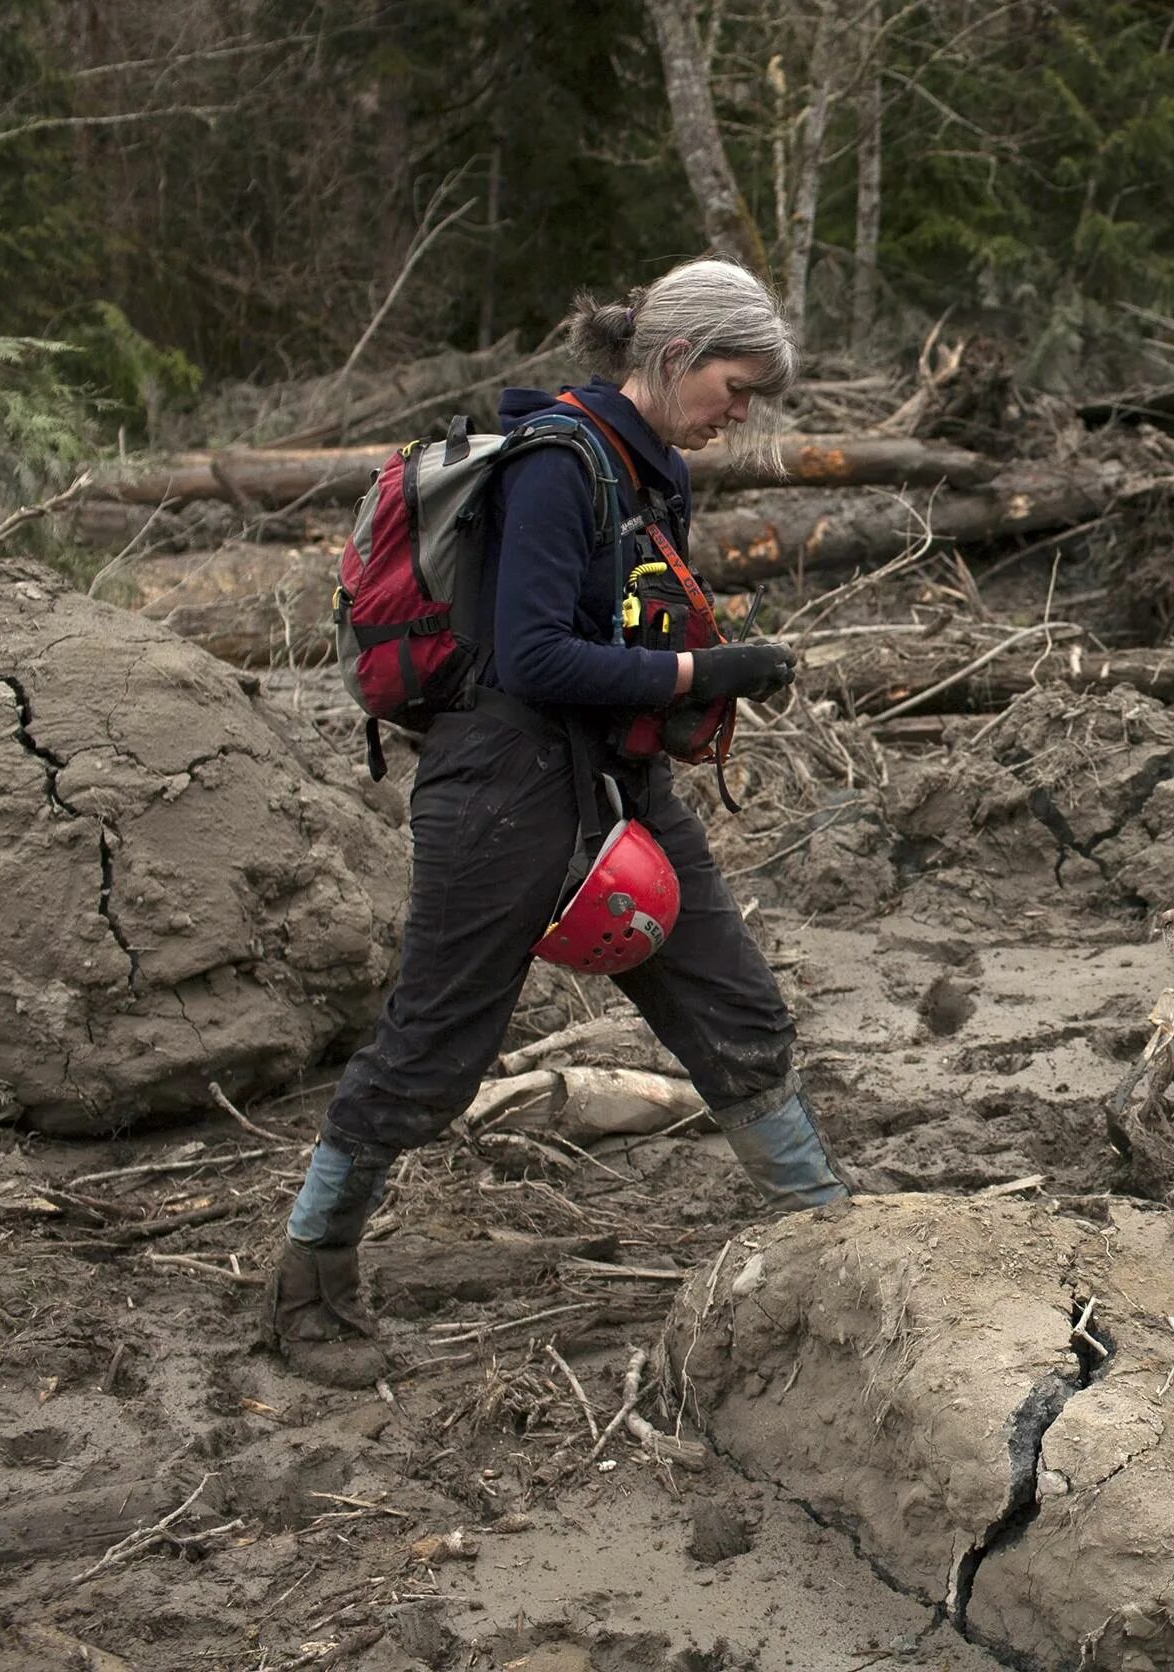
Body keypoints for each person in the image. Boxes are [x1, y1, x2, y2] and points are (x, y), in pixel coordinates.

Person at [264, 259, 850, 1388]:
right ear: (673, 357)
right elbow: (530, 656)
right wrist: (699, 667)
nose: (743, 414)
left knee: (735, 1006)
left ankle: (833, 1241)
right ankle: (307, 1284)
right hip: (500, 783)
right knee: (434, 1047)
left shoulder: (653, 468)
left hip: (613, 779)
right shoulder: (556, 464)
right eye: (736, 386)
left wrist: (680, 683)